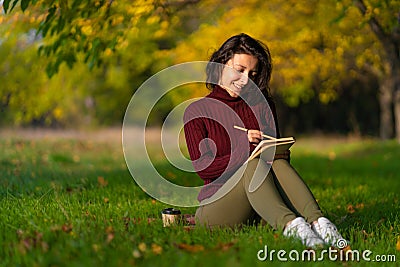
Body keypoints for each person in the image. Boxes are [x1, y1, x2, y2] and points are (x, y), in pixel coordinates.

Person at [183, 33, 345, 248]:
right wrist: (244, 145)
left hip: (260, 204)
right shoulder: (197, 110)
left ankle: (319, 223)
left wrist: (277, 149)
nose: (245, 80)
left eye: (252, 73)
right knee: (252, 162)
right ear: (221, 64)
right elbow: (205, 169)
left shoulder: (261, 103)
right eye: (239, 70)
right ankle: (293, 227)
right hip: (218, 209)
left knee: (273, 161)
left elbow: (276, 159)